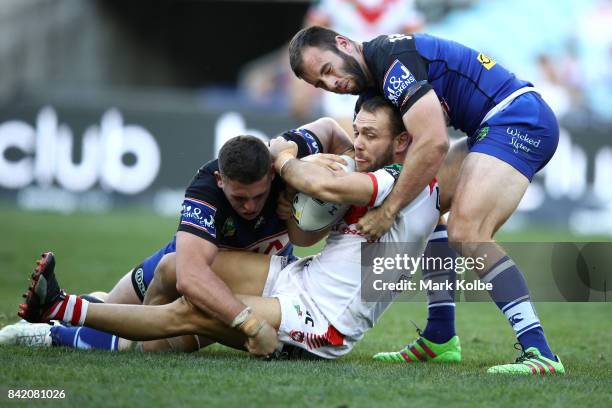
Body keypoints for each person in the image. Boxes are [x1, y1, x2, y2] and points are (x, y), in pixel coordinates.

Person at [18, 97, 441, 360]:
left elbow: (317, 202)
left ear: (403, 141)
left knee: (188, 314)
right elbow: (298, 235)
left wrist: (291, 174)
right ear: (221, 182)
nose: (357, 142)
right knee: (171, 272)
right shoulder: (211, 185)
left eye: (369, 134)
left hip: (319, 317)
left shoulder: (393, 179)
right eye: (359, 131)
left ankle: (63, 316)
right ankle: (107, 324)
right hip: (284, 276)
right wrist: (293, 178)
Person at [287, 26, 564, 374]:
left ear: (343, 44)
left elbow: (433, 143)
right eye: (320, 83)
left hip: (519, 119)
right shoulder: (374, 82)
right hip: (491, 125)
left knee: (467, 232)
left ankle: (541, 353)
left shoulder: (391, 63)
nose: (332, 84)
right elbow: (388, 159)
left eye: (328, 70)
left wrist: (389, 210)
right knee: (426, 202)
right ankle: (440, 336)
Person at [1, 120, 353, 355]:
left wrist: (344, 160)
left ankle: (54, 331)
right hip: (190, 262)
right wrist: (249, 323)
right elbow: (191, 275)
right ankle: (58, 315)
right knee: (119, 308)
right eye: (238, 198)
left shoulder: (287, 161)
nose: (249, 207)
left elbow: (331, 129)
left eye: (258, 197)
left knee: (143, 342)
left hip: (248, 280)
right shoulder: (204, 188)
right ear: (221, 182)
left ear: (272, 175)